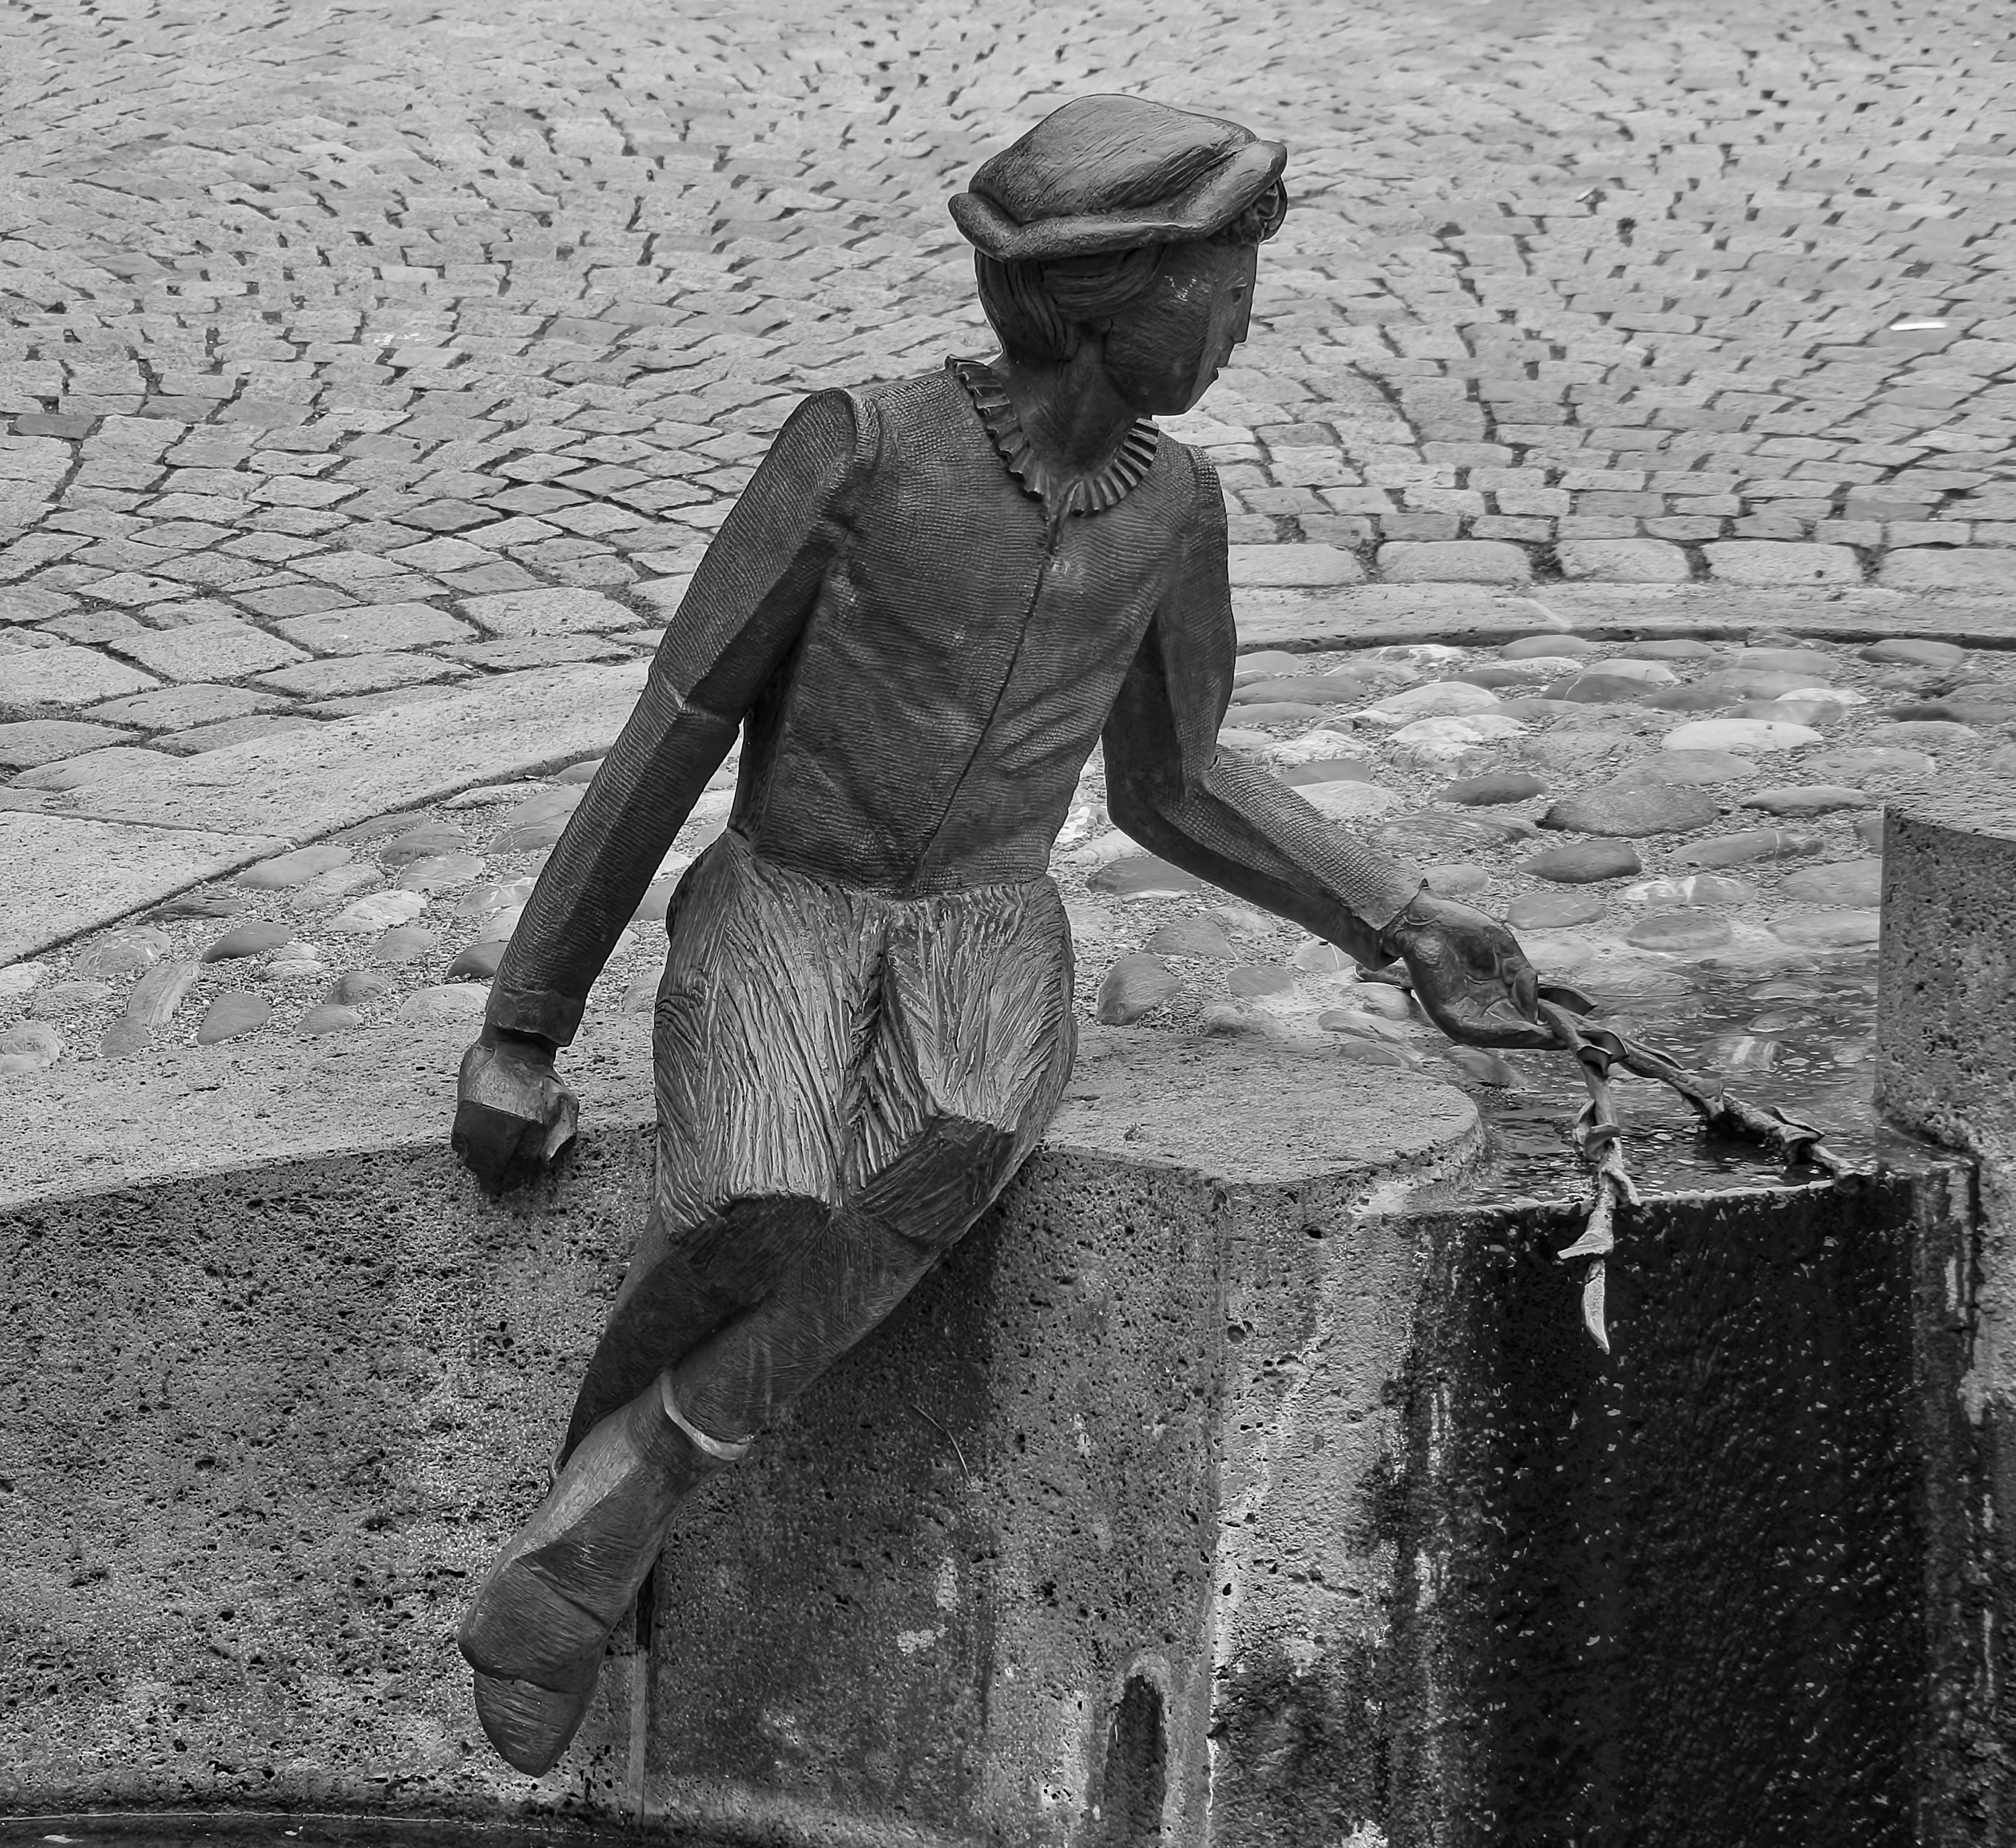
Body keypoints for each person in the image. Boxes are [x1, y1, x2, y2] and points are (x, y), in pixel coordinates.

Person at [449, 93, 1576, 1775]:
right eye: (1219, 283)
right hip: (788, 897)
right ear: (1102, 296)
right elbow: (679, 715)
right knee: (758, 1188)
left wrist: (1397, 919)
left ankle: (606, 1512)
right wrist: (523, 1019)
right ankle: (599, 1518)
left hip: (986, 921)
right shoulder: (863, 444)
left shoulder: (1171, 509)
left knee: (953, 1132)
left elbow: (1174, 778)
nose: (1248, 315)